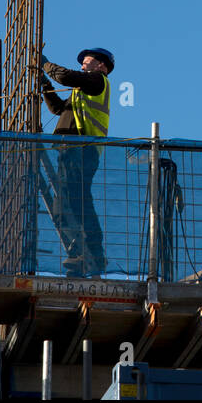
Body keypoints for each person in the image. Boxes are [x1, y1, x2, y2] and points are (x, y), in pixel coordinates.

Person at [36, 47, 114, 277]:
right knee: (65, 206)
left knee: (77, 203)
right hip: (69, 152)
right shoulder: (81, 93)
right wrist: (44, 85)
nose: (82, 65)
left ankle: (92, 255)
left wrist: (45, 64)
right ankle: (80, 253)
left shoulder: (98, 82)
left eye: (86, 62)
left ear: (101, 66)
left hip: (82, 151)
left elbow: (65, 76)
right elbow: (59, 108)